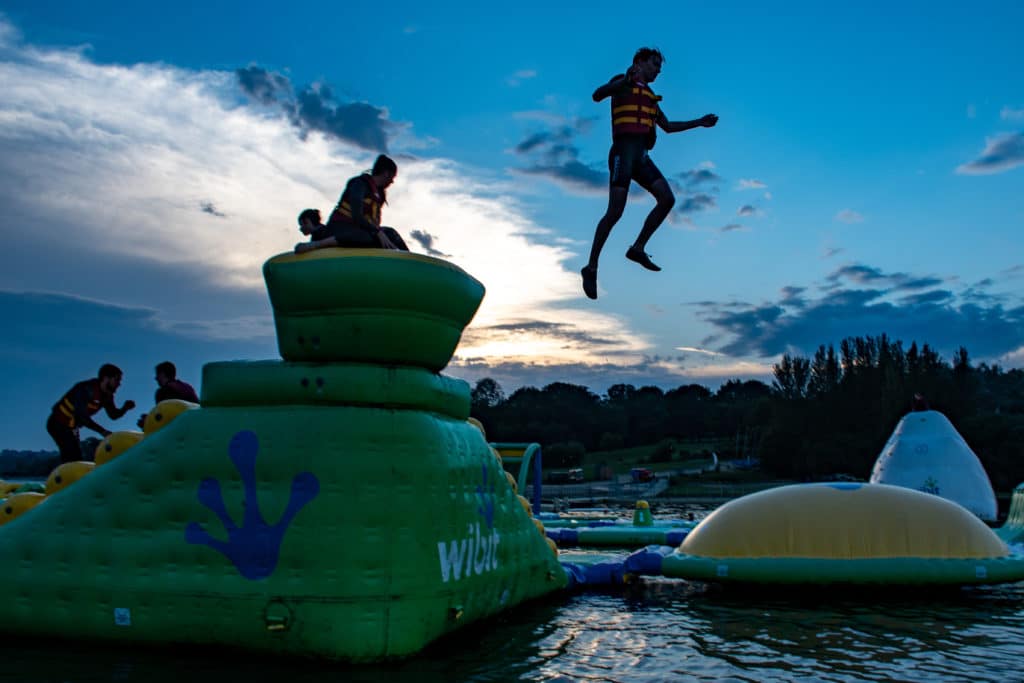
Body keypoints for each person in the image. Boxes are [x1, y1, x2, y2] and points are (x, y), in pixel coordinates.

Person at [581, 47, 719, 299]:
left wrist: (699, 122)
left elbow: (667, 127)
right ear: (640, 62)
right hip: (623, 153)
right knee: (615, 213)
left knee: (667, 199)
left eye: (659, 67)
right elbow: (597, 95)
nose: (658, 70)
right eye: (655, 65)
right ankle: (591, 268)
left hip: (642, 158)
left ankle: (638, 248)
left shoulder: (652, 97)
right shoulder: (621, 82)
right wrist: (623, 80)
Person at [295, 154, 409, 254]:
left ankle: (409, 260)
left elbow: (374, 224)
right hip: (340, 229)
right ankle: (316, 245)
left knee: (390, 233)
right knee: (368, 236)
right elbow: (357, 216)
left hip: (363, 232)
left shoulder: (379, 194)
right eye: (392, 177)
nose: (392, 181)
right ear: (386, 173)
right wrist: (377, 232)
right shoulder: (359, 184)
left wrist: (380, 234)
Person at [46, 364, 136, 463]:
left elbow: (113, 415)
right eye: (117, 380)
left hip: (71, 427)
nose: (119, 384)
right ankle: (64, 476)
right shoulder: (85, 389)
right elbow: (82, 416)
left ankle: (74, 474)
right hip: (57, 423)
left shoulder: (107, 396)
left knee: (76, 456)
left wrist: (125, 408)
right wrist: (102, 431)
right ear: (106, 378)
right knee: (71, 454)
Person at [138, 361, 199, 429]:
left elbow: (165, 421)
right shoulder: (188, 387)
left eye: (157, 374)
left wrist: (147, 424)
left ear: (162, 374)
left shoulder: (163, 391)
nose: (156, 378)